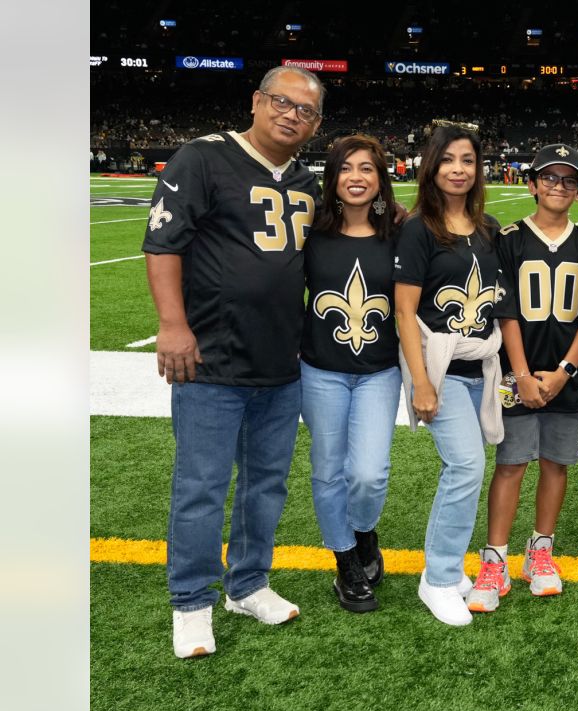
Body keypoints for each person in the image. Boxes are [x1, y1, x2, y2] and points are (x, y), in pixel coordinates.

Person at [142, 65, 326, 659]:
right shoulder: (203, 157)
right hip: (212, 360)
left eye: (306, 111)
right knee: (201, 486)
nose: (292, 114)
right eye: (283, 102)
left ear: (316, 124)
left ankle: (247, 584)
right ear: (256, 100)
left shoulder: (304, 179)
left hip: (281, 360)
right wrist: (173, 325)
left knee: (266, 485)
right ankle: (191, 602)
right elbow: (163, 244)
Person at [467, 143, 578, 613]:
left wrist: (565, 372)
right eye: (549, 178)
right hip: (518, 375)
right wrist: (524, 375)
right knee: (511, 463)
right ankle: (495, 558)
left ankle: (540, 551)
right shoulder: (508, 239)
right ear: (531, 185)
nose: (558, 187)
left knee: (555, 462)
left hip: (565, 376)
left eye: (568, 180)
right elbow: (505, 312)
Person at [394, 124, 503, 627]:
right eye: (448, 160)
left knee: (466, 469)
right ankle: (437, 578)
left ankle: (448, 567)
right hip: (442, 371)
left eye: (467, 160)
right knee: (465, 468)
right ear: (431, 167)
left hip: (479, 368)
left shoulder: (487, 228)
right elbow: (405, 311)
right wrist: (421, 382)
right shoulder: (419, 227)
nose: (458, 169)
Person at [299, 135, 400, 614]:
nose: (356, 177)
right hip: (320, 369)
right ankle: (346, 564)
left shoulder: (399, 233)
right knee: (327, 469)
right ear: (332, 178)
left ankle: (363, 532)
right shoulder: (310, 233)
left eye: (367, 168)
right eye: (346, 168)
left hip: (380, 370)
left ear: (381, 179)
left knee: (368, 473)